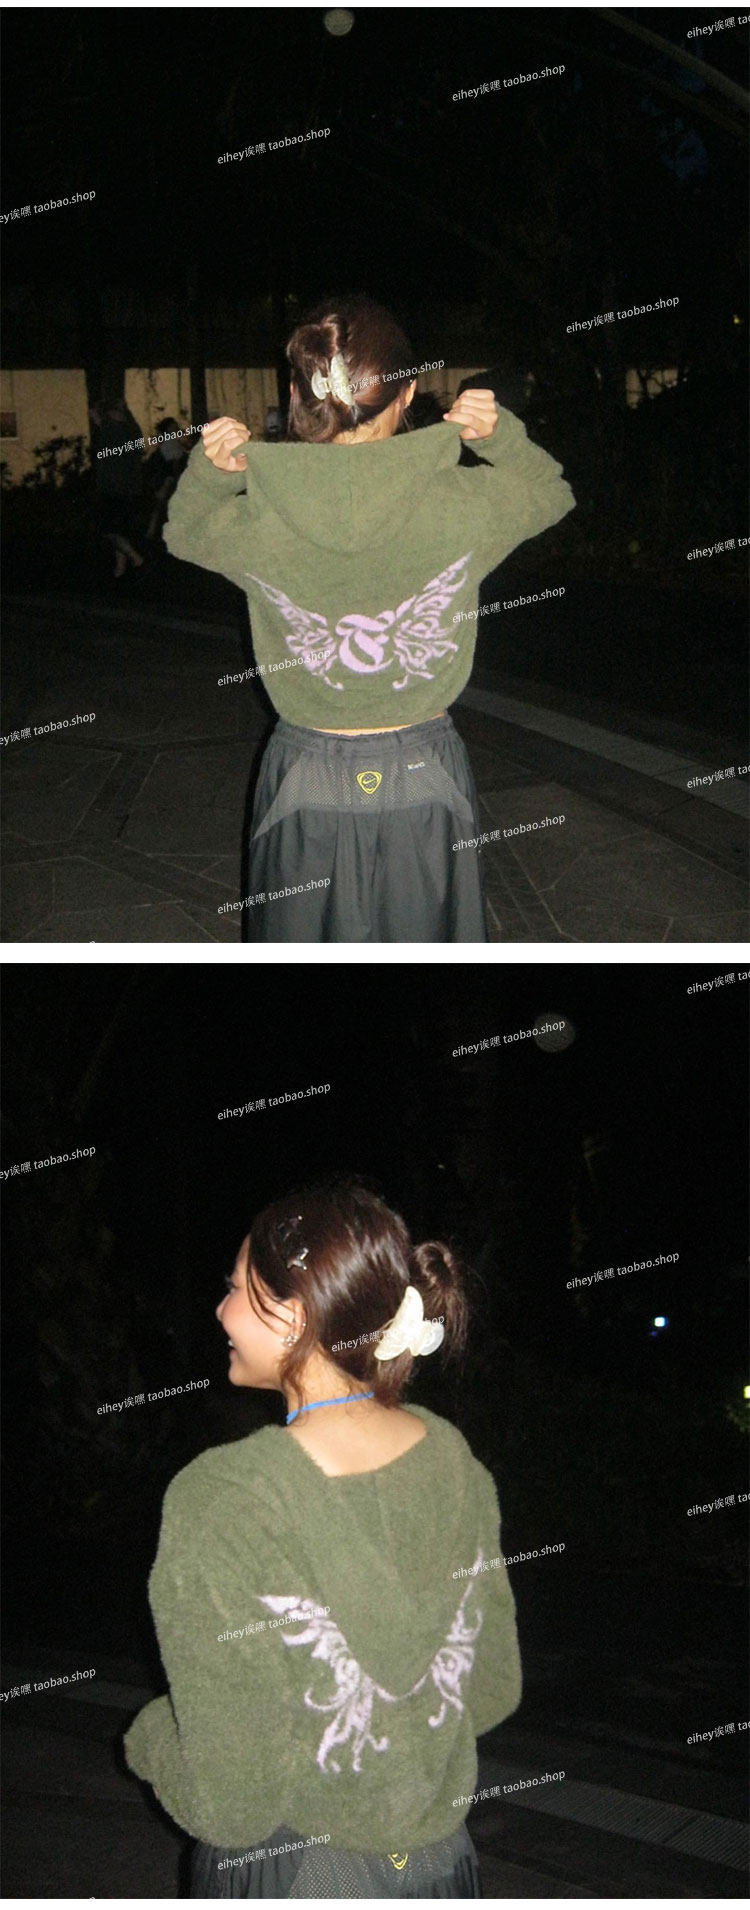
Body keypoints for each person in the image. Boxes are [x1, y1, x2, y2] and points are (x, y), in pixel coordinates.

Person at [123, 1176, 522, 1898]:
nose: (220, 1310)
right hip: (441, 1868)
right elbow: (492, 1687)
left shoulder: (223, 1499)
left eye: (236, 1288)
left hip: (297, 1875)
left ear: (294, 1315)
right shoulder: (451, 1458)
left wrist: (151, 1736)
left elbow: (233, 1805)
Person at [162, 296, 576, 942]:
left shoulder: (260, 518)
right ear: (406, 394)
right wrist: (499, 437)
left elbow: (184, 532)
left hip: (305, 776)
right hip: (424, 772)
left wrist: (212, 473)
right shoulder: (463, 503)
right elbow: (551, 492)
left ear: (298, 395)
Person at [89, 398, 147, 579]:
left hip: (113, 489)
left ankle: (135, 557)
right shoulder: (132, 428)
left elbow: (95, 416)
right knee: (120, 529)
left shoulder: (109, 429)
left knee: (108, 531)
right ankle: (120, 568)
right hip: (130, 488)